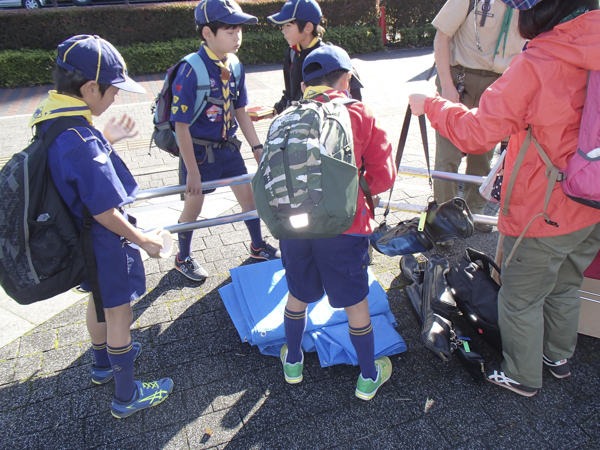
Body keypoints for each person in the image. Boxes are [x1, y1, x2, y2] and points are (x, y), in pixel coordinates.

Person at [409, 0, 600, 397]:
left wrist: (431, 105)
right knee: (565, 283)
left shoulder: (541, 62)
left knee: (519, 298)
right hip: (590, 200)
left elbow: (478, 132)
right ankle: (557, 357)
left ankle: (522, 375)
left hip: (543, 209)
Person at [31, 35, 174, 418]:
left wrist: (106, 137)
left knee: (97, 299)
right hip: (103, 241)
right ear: (90, 88)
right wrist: (144, 241)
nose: (115, 99)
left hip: (77, 238)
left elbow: (71, 173)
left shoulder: (52, 117)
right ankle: (126, 395)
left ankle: (101, 364)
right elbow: (105, 212)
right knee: (120, 315)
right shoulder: (80, 139)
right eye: (112, 91)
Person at [279, 45, 396, 400]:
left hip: (294, 224)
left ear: (304, 86)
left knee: (297, 293)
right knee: (355, 301)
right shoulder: (359, 112)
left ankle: (294, 362)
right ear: (346, 79)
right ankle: (367, 376)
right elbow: (383, 176)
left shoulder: (286, 115)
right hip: (344, 227)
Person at [171, 0, 280, 282]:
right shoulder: (191, 69)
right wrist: (192, 170)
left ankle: (257, 245)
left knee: (249, 198)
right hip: (198, 152)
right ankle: (182, 257)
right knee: (193, 207)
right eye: (230, 31)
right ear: (208, 33)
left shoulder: (235, 65)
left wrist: (257, 148)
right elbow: (180, 125)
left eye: (239, 30)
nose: (237, 37)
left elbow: (241, 111)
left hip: (228, 148)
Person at [431, 0, 525, 231]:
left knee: (483, 155)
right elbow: (442, 37)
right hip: (460, 78)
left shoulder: (533, 4)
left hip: (501, 83)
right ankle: (445, 215)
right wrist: (447, 86)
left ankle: (475, 211)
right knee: (448, 155)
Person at [268, 0, 362, 115]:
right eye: (283, 26)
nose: (283, 30)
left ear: (308, 27)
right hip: (298, 122)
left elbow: (353, 101)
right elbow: (290, 94)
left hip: (324, 123)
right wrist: (277, 109)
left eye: (288, 25)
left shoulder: (328, 58)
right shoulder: (292, 52)